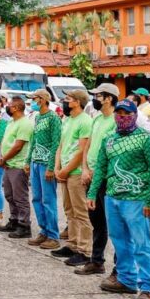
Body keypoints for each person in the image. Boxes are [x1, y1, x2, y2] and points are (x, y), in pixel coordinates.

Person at [86, 99, 150, 299]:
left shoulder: (145, 139)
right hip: (112, 197)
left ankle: (148, 287)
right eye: (119, 113)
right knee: (119, 241)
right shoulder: (109, 139)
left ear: (135, 115)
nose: (122, 117)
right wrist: (92, 194)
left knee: (142, 244)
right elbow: (101, 168)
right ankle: (127, 279)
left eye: (127, 113)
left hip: (137, 199)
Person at [76, 83, 120, 276]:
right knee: (97, 221)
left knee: (115, 225)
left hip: (106, 178)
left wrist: (97, 172)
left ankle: (120, 269)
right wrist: (85, 168)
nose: (95, 99)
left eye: (98, 96)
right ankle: (96, 261)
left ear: (109, 98)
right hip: (91, 175)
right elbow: (88, 146)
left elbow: (114, 152)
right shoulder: (97, 119)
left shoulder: (117, 121)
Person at [52, 89, 94, 267]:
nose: (64, 101)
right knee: (69, 210)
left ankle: (85, 250)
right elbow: (61, 145)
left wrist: (66, 169)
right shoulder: (67, 119)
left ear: (77, 102)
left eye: (68, 99)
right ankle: (72, 244)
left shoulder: (85, 121)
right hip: (65, 171)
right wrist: (57, 167)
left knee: (81, 212)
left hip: (76, 172)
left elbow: (82, 150)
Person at [26, 90, 62, 250]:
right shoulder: (38, 117)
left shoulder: (53, 118)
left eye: (34, 99)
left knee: (48, 200)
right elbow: (34, 140)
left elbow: (56, 143)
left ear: (42, 99)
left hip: (46, 163)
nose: (32, 102)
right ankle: (44, 230)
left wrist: (51, 166)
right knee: (37, 198)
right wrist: (28, 160)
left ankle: (53, 235)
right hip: (35, 161)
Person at [0, 96, 33, 239]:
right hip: (8, 164)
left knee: (20, 197)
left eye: (10, 105)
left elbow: (18, 146)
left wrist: (4, 158)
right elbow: (6, 141)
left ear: (17, 108)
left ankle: (24, 226)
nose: (7, 107)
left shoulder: (24, 124)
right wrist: (3, 158)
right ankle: (14, 220)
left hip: (18, 164)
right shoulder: (12, 122)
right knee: (10, 195)